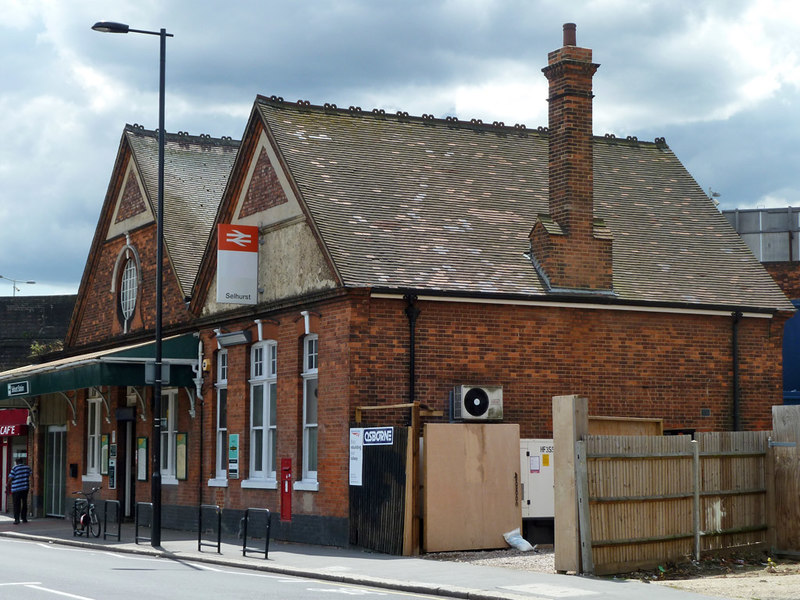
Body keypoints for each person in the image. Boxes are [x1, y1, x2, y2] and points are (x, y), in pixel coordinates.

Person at [7, 457, 31, 524]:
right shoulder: (27, 467)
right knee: (24, 503)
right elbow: (31, 475)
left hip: (16, 489)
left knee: (16, 504)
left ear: (16, 462)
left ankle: (17, 519)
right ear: (22, 461)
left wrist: (7, 484)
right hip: (25, 488)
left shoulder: (15, 468)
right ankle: (24, 518)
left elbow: (11, 477)